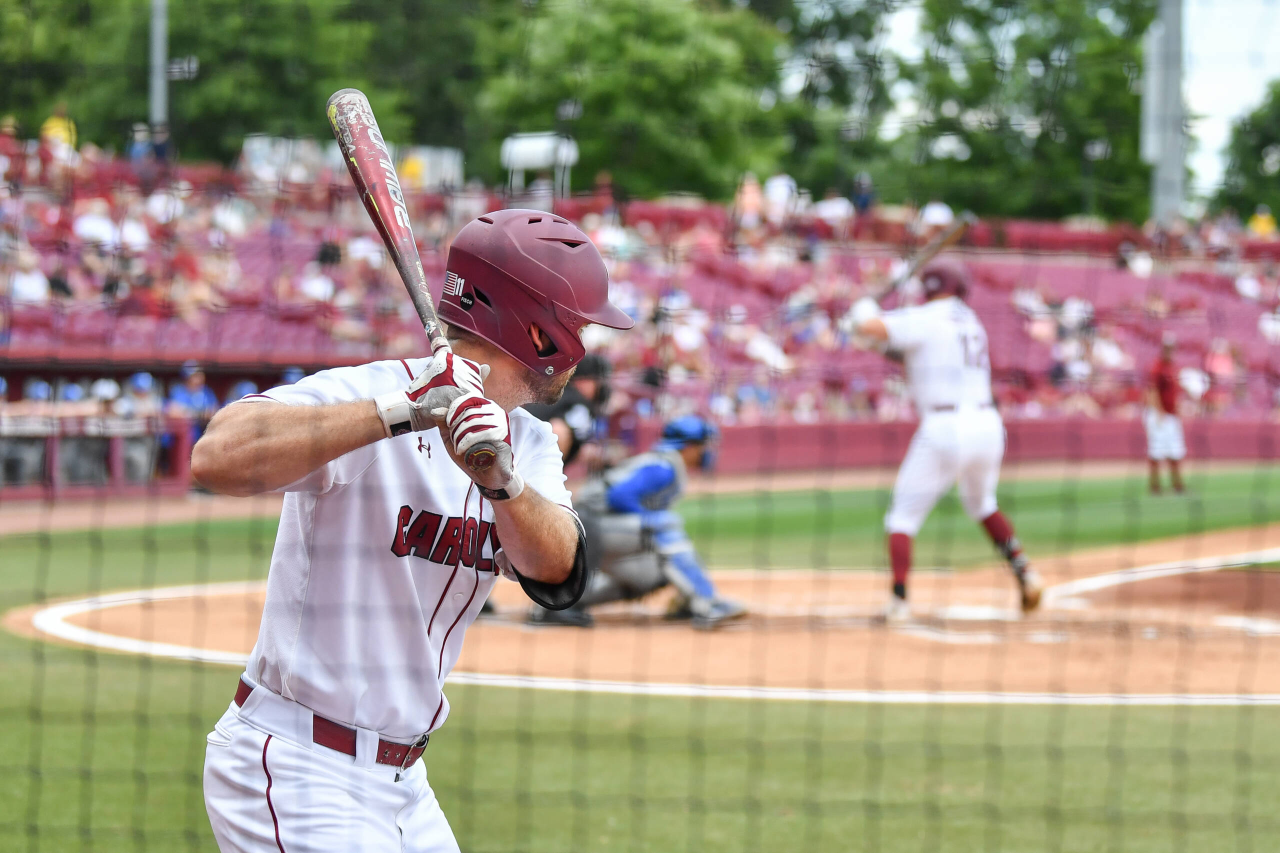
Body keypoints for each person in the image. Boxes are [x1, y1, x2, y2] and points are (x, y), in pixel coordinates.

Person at [193, 209, 634, 853]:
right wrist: (401, 412)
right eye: (579, 324)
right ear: (540, 332)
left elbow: (561, 578)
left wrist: (501, 483)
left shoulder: (530, 441)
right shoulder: (368, 392)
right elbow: (215, 458)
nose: (586, 346)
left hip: (403, 781)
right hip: (297, 763)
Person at [843, 258, 1042, 622]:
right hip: (987, 424)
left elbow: (872, 326)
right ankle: (1025, 571)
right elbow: (907, 352)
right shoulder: (970, 320)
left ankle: (899, 603)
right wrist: (867, 334)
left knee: (901, 517)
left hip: (946, 426)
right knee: (982, 503)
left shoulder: (924, 318)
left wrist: (861, 313)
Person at [529, 415, 747, 629]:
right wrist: (647, 519)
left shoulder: (663, 462)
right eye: (703, 445)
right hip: (586, 527)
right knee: (664, 524)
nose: (707, 451)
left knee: (649, 575)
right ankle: (708, 604)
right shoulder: (664, 466)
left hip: (598, 528)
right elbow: (619, 496)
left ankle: (559, 603)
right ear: (688, 446)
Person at [523, 352, 612, 466]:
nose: (602, 387)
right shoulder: (579, 402)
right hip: (528, 464)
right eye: (597, 382)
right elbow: (558, 430)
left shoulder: (555, 394)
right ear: (582, 380)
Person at [1145, 336, 1185, 494]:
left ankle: (1177, 485)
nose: (1170, 351)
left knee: (1175, 451)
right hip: (1160, 415)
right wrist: (1159, 411)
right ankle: (1155, 486)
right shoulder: (1158, 367)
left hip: (1171, 414)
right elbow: (1152, 390)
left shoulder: (1172, 366)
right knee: (1156, 450)